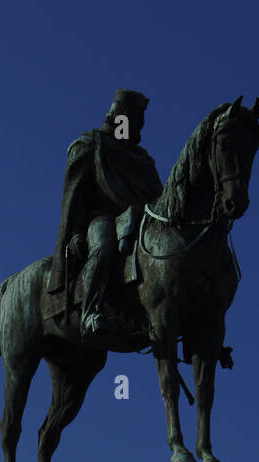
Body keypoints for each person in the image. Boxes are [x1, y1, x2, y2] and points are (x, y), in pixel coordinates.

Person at [48, 89, 163, 336]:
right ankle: (91, 311)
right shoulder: (91, 144)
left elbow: (159, 199)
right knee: (103, 246)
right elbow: (75, 196)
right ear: (122, 118)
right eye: (137, 121)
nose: (140, 128)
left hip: (139, 221)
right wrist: (76, 233)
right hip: (101, 218)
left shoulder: (142, 159)